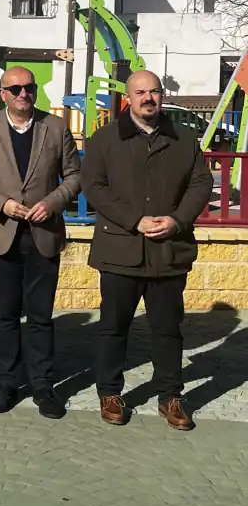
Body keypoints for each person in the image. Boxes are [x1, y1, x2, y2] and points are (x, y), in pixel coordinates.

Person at [81, 69, 213, 430]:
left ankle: (170, 396)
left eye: (154, 91)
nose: (148, 98)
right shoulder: (105, 138)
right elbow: (93, 186)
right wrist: (134, 220)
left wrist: (177, 220)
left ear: (161, 95)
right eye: (140, 93)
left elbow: (201, 183)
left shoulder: (183, 138)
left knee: (168, 329)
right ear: (129, 98)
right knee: (113, 327)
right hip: (120, 250)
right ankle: (110, 393)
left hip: (168, 251)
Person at [0, 67, 82, 419]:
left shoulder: (56, 127)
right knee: (5, 315)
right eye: (15, 88)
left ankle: (42, 385)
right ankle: (6, 383)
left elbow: (75, 176)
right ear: (2, 93)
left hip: (42, 235)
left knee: (40, 317)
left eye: (29, 87)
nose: (23, 93)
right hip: (1, 234)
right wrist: (0, 204)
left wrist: (52, 202)